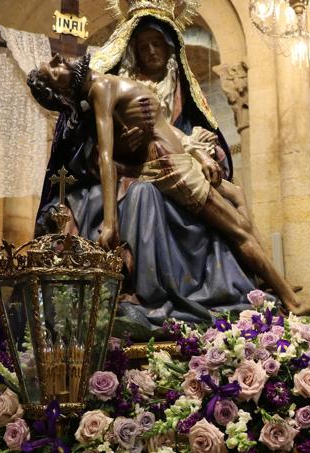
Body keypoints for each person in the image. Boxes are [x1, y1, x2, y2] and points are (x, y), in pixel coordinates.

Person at [35, 3, 265, 335]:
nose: (151, 51)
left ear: (171, 48)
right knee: (144, 195)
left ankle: (257, 283)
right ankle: (147, 296)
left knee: (233, 198)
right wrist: (130, 139)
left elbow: (191, 131)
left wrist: (207, 154)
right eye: (143, 47)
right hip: (133, 170)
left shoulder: (182, 88)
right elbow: (95, 145)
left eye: (157, 44)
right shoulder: (115, 82)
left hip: (176, 157)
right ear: (133, 51)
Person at [28, 54, 303, 318]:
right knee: (239, 231)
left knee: (237, 199)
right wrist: (110, 222)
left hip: (181, 160)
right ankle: (290, 300)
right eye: (51, 70)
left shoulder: (106, 83)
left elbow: (167, 130)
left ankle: (275, 286)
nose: (57, 59)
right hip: (172, 167)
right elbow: (105, 157)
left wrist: (200, 153)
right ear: (61, 93)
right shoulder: (100, 90)